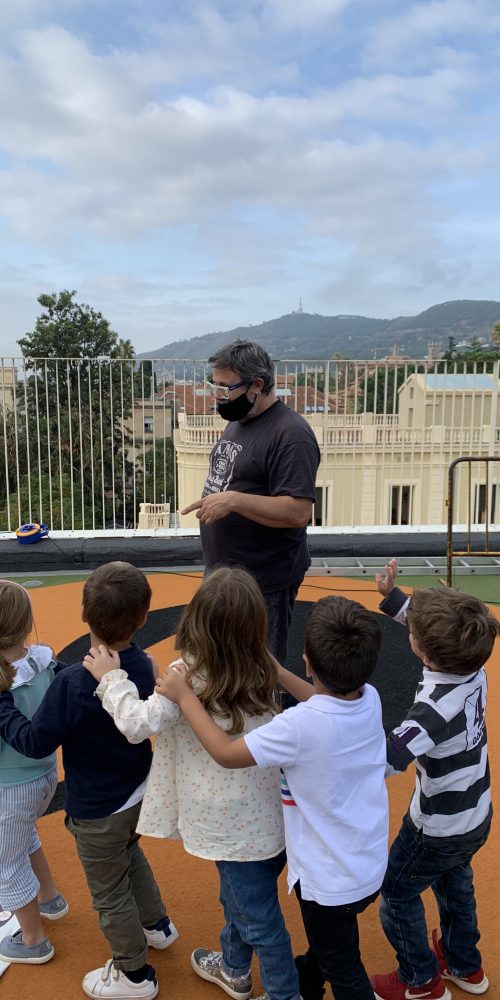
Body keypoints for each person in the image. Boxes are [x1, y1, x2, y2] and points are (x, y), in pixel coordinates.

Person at [156, 592, 389, 1000]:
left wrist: (186, 697)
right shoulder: (369, 698)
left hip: (328, 881)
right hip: (366, 864)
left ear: (308, 661)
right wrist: (277, 672)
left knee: (346, 970)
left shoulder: (299, 726)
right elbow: (322, 700)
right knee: (333, 946)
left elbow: (227, 754)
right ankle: (306, 983)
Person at [83, 566, 301, 1000]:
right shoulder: (262, 665)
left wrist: (111, 679)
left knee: (260, 921)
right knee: (239, 901)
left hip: (227, 826)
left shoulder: (189, 674)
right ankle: (235, 968)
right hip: (266, 817)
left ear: (197, 620)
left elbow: (137, 723)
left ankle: (285, 994)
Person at [0, 562, 176, 1000]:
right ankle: (157, 926)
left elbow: (35, 741)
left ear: (84, 614)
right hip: (137, 792)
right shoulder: (143, 663)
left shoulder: (73, 683)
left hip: (98, 810)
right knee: (130, 856)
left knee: (109, 892)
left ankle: (135, 974)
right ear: (143, 618)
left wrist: (3, 707)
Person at [370, 559, 500, 1000]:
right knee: (455, 883)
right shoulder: (472, 667)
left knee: (396, 893)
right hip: (475, 813)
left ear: (425, 654)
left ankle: (420, 979)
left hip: (436, 827)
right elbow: (430, 634)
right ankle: (465, 964)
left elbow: (389, 759)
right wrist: (393, 599)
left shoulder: (432, 711)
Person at [181, 339, 321, 666]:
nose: (217, 396)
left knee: (259, 671)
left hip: (263, 584)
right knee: (220, 667)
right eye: (214, 386)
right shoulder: (240, 420)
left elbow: (298, 511)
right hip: (225, 576)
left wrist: (233, 501)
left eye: (225, 388)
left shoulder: (291, 434)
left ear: (257, 385)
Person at [0, 580, 68, 966]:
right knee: (26, 836)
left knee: (5, 864)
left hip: (10, 786)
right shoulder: (42, 661)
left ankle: (32, 940)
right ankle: (49, 897)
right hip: (43, 777)